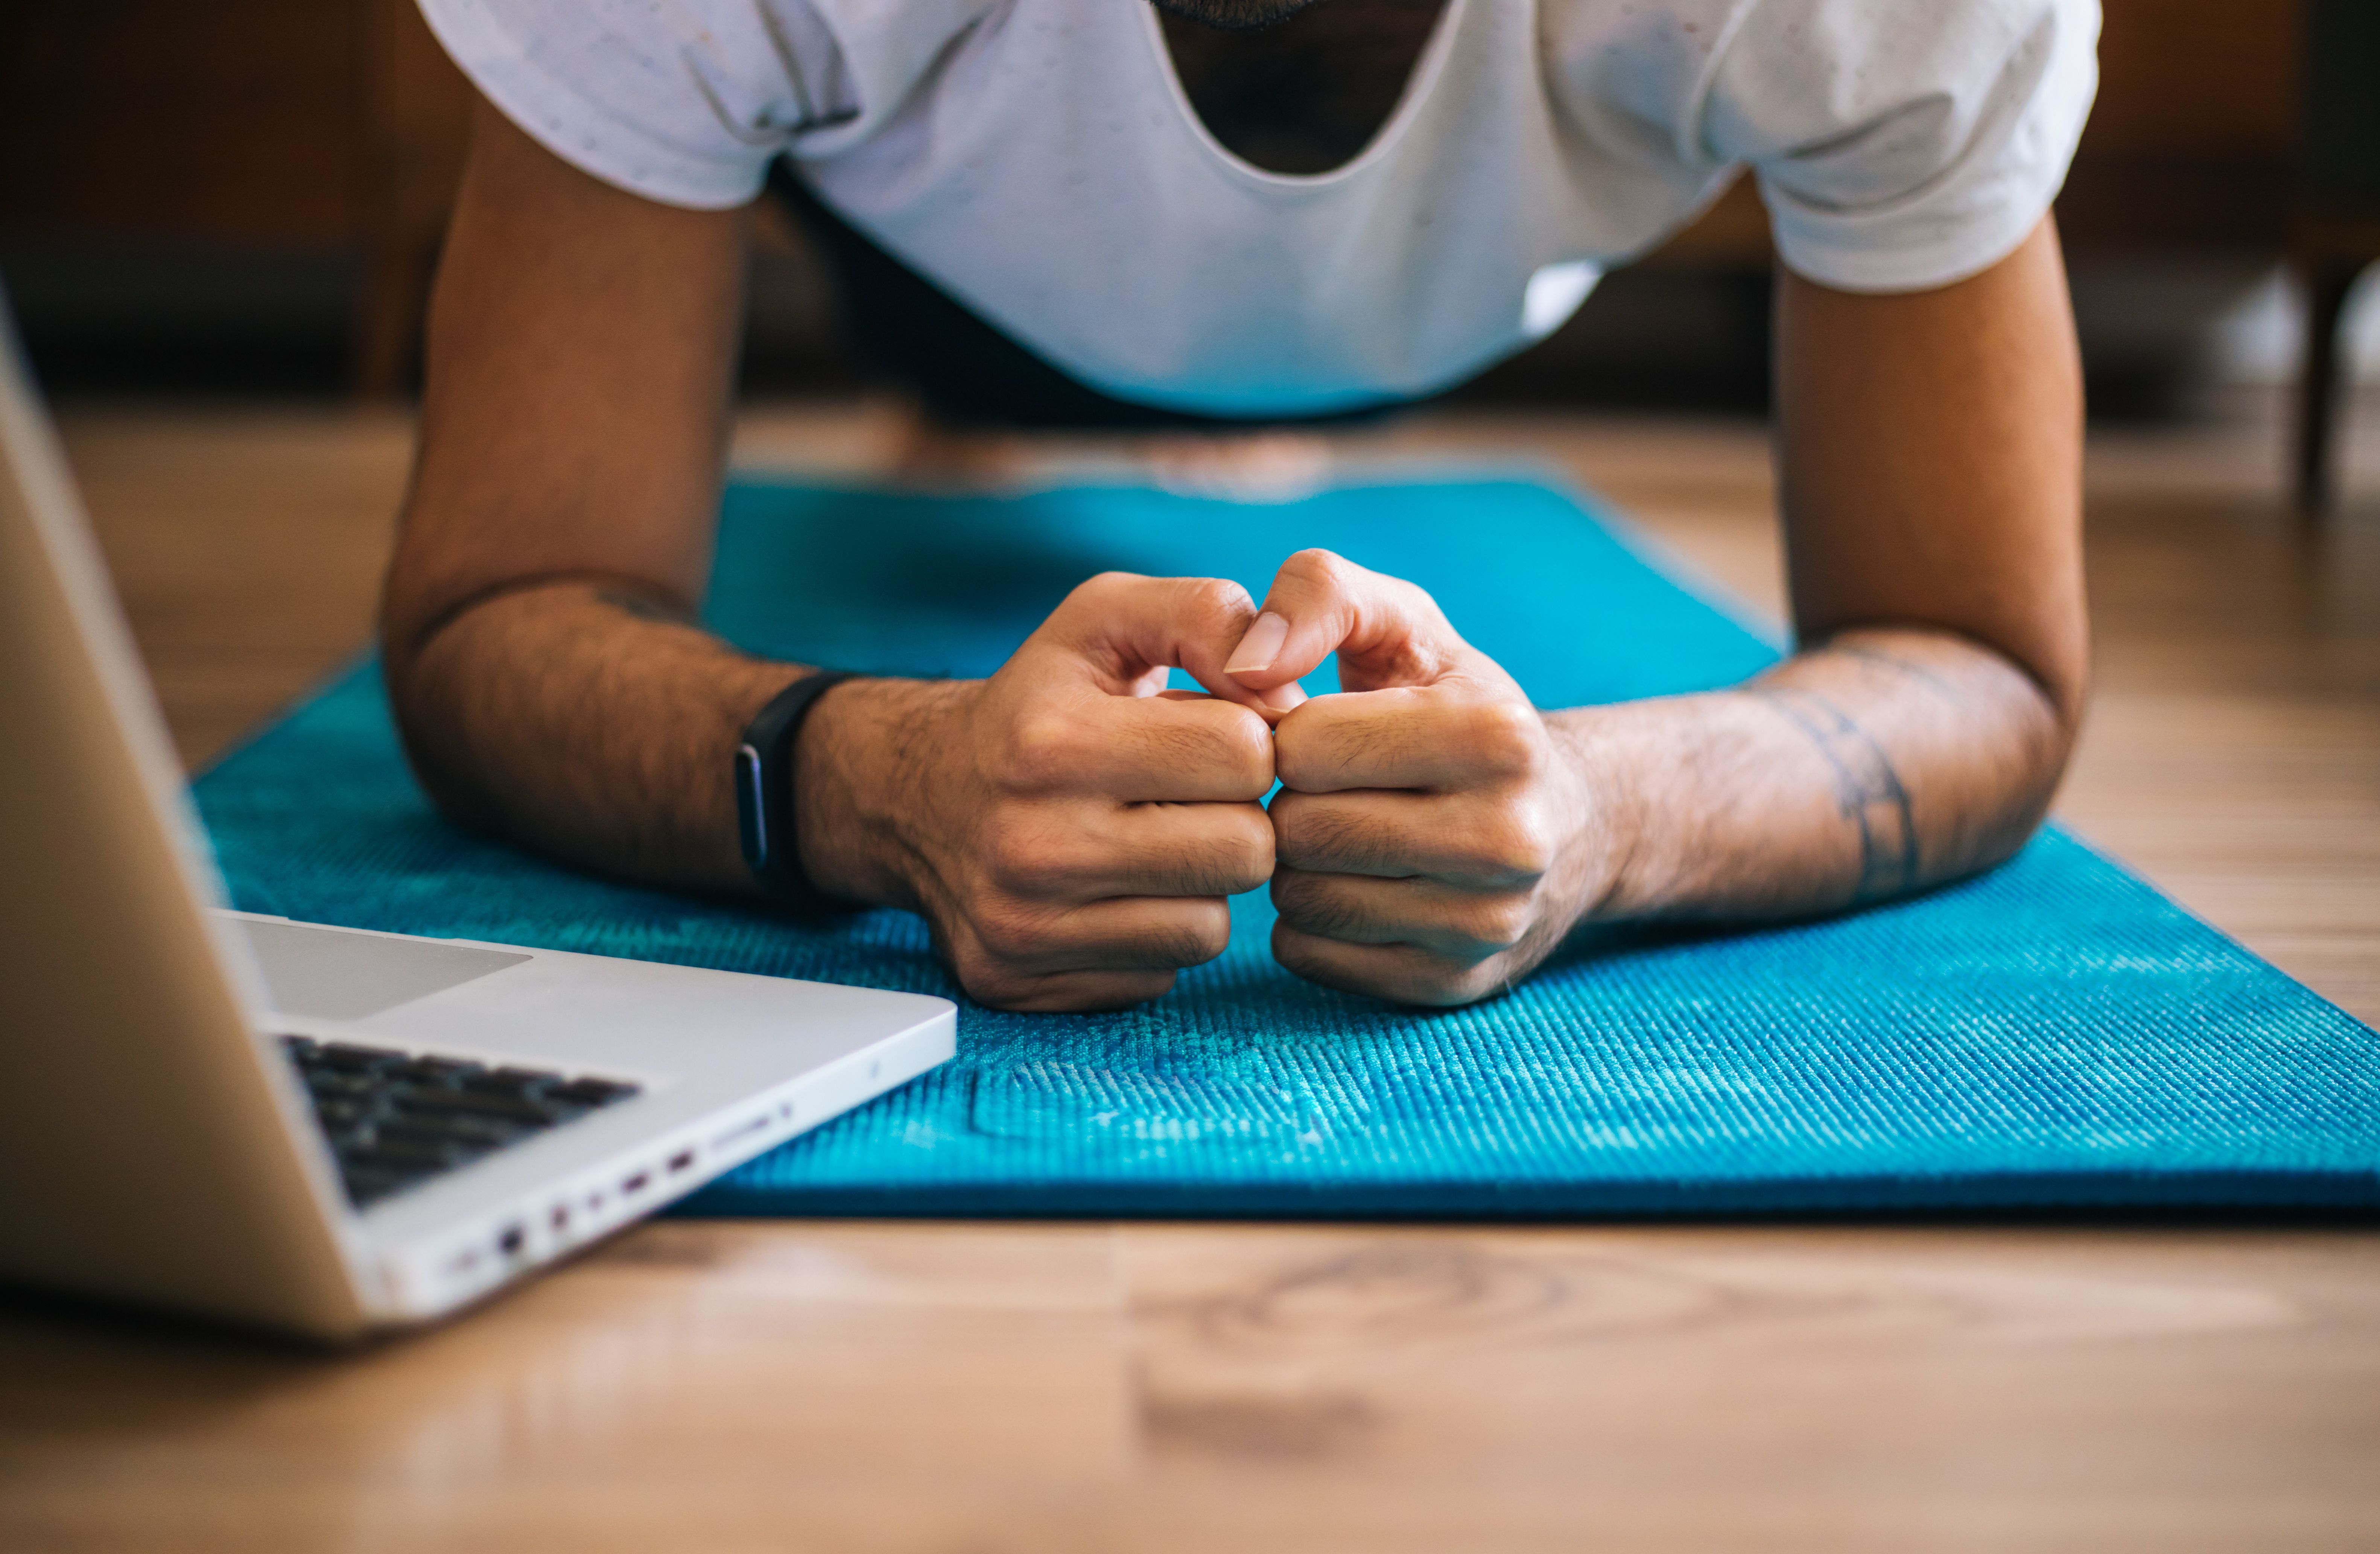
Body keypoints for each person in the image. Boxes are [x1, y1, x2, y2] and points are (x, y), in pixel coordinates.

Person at [383, 0, 2096, 1011]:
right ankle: (977, 418)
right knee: (967, 390)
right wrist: (876, 781)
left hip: (1456, 280)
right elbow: (496, 610)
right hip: (913, 250)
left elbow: (1977, 657)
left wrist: (1601, 813)